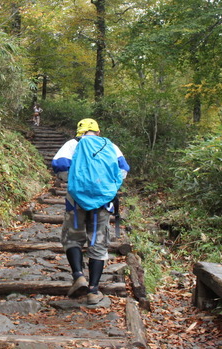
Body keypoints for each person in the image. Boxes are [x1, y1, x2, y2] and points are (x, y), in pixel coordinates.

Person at [51, 118, 130, 304]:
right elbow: (124, 169)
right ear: (97, 132)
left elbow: (58, 165)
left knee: (72, 238)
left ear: (79, 132)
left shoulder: (72, 144)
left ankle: (78, 276)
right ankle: (94, 291)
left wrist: (73, 181)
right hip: (103, 202)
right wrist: (109, 188)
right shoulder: (110, 145)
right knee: (98, 242)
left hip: (76, 201)